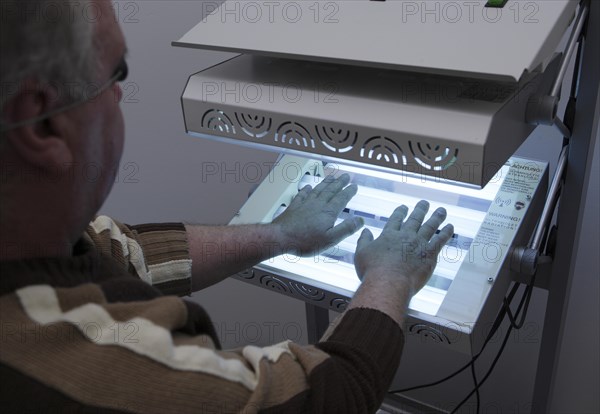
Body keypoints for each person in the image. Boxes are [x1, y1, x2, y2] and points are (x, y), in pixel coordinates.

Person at [0, 1, 454, 412]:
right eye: (116, 73)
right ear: (44, 124)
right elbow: (329, 395)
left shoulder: (31, 242)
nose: (120, 95)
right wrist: (392, 277)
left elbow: (123, 251)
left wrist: (281, 233)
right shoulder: (86, 364)